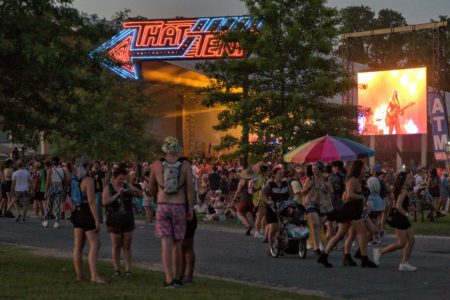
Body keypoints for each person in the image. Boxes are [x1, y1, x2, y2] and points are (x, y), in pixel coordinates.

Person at [149, 137, 195, 288]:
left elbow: (151, 188)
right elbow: (189, 189)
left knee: (165, 244)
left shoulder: (156, 165)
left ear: (165, 149)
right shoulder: (186, 165)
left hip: (162, 206)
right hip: (179, 206)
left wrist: (157, 193)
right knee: (178, 244)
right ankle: (177, 278)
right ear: (178, 149)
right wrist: (190, 208)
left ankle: (168, 278)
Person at [318, 160, 377, 268]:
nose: (365, 170)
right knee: (363, 233)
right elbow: (349, 195)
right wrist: (361, 197)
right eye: (363, 168)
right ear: (358, 169)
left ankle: (324, 255)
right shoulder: (352, 180)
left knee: (340, 234)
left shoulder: (358, 180)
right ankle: (364, 258)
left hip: (352, 210)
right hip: (351, 210)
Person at [103, 165, 143, 277]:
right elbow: (105, 202)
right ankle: (116, 269)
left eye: (124, 179)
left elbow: (141, 195)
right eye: (120, 178)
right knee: (116, 244)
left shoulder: (127, 186)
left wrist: (132, 190)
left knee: (127, 244)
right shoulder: (108, 188)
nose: (122, 181)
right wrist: (117, 195)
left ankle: (128, 270)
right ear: (114, 177)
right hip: (113, 218)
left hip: (127, 218)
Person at [373, 172, 417, 271]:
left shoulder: (402, 190)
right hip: (400, 218)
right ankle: (380, 252)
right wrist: (406, 214)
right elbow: (397, 206)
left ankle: (404, 263)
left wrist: (409, 209)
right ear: (404, 180)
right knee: (402, 243)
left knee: (411, 240)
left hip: (401, 217)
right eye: (409, 178)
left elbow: (396, 205)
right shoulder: (403, 191)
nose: (411, 179)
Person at [71, 156, 105, 283]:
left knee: (78, 246)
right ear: (87, 166)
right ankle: (94, 275)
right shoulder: (88, 180)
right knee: (95, 243)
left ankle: (79, 275)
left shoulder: (74, 180)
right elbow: (91, 201)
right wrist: (97, 219)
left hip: (76, 212)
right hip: (86, 212)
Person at [301, 162, 333, 255]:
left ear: (320, 169)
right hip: (311, 203)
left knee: (319, 224)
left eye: (316, 169)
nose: (314, 171)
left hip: (324, 205)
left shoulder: (326, 179)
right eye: (313, 169)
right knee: (315, 224)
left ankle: (318, 243)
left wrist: (327, 185)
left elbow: (331, 191)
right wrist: (309, 186)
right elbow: (302, 192)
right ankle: (317, 247)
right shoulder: (309, 179)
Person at [261, 166, 293, 254]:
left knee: (282, 228)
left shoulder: (286, 183)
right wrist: (268, 201)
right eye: (279, 173)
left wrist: (289, 201)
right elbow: (262, 195)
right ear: (274, 175)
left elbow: (291, 194)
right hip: (272, 208)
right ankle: (270, 247)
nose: (281, 175)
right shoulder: (270, 184)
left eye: (282, 173)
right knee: (273, 227)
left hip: (283, 207)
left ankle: (279, 246)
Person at [43, 157, 69, 229]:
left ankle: (46, 220)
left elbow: (48, 182)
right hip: (60, 187)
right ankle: (57, 222)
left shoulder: (50, 170)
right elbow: (66, 180)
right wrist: (65, 189)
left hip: (52, 186)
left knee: (49, 204)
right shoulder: (63, 170)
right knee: (58, 205)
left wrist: (45, 192)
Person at [231, 166, 256, 236]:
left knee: (239, 213)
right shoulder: (253, 181)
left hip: (244, 199)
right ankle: (253, 228)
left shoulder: (242, 182)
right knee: (249, 214)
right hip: (252, 200)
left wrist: (233, 201)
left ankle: (248, 225)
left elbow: (237, 192)